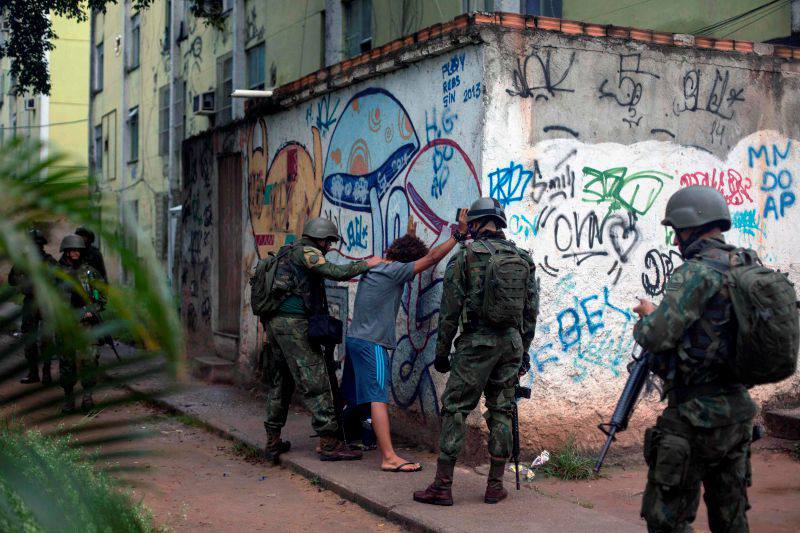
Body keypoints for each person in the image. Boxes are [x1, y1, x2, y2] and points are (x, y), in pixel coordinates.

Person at [632, 185, 756, 532]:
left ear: (692, 226)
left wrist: (646, 317)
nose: (675, 241)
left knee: (664, 518)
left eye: (677, 231)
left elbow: (657, 336)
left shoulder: (695, 272)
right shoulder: (745, 266)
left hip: (693, 415)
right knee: (731, 519)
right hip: (738, 414)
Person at [413, 198, 539, 506]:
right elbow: (530, 311)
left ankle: (443, 486)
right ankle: (495, 485)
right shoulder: (523, 258)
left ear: (478, 224)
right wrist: (523, 353)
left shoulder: (465, 257)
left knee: (455, 408)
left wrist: (442, 353)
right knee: (501, 408)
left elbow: (449, 311)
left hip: (477, 344)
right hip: (510, 344)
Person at [341, 210, 469, 473]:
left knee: (352, 396)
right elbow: (432, 258)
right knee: (378, 397)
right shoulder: (395, 271)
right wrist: (459, 234)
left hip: (354, 339)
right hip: (371, 343)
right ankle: (388, 457)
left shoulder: (374, 267)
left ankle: (336, 441)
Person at [263, 217, 383, 462]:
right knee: (317, 381)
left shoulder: (287, 252)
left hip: (276, 325)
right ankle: (329, 443)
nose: (329, 246)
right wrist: (367, 264)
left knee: (281, 382)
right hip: (293, 326)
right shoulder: (306, 252)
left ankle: (272, 441)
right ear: (319, 238)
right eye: (328, 241)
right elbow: (334, 272)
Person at [58, 234, 106, 413]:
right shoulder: (57, 273)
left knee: (89, 361)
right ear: (66, 251)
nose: (76, 253)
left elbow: (99, 295)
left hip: (86, 325)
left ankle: (87, 398)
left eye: (78, 250)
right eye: (72, 250)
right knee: (67, 362)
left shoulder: (89, 273)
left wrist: (92, 310)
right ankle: (69, 400)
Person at [8, 229, 57, 384]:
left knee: (46, 339)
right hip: (31, 302)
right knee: (30, 339)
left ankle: (45, 373)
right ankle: (35, 373)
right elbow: (12, 279)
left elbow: (58, 281)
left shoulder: (49, 261)